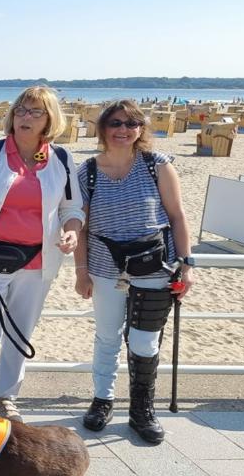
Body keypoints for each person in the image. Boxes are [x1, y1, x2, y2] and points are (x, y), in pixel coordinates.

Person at [0, 85, 84, 422]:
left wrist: (71, 231)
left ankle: (5, 398)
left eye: (35, 112)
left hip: (38, 263)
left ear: (49, 120)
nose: (26, 117)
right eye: (22, 110)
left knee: (19, 333)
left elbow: (73, 208)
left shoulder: (61, 160)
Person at [73, 99, 194, 444]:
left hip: (154, 265)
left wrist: (187, 264)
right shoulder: (88, 171)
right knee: (107, 337)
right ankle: (103, 400)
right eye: (115, 123)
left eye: (131, 124)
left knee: (144, 340)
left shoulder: (157, 165)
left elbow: (178, 217)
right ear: (103, 128)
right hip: (104, 267)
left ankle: (142, 409)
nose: (123, 130)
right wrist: (81, 271)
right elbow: (80, 226)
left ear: (141, 129)